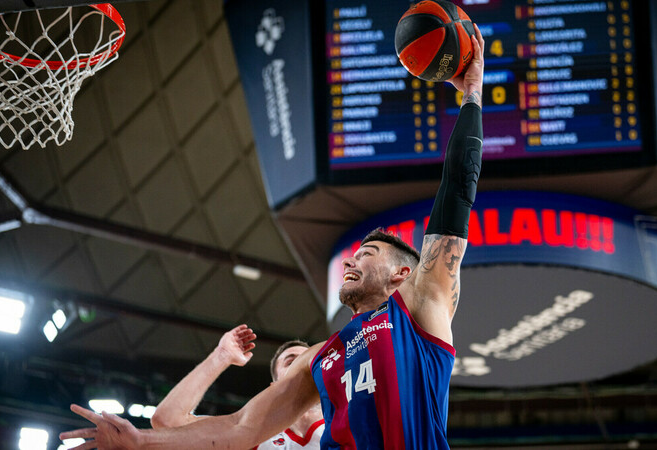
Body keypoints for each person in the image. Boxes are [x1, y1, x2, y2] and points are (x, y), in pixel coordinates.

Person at [61, 24, 484, 450]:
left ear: (402, 275)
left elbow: (456, 194)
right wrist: (141, 443)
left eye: (368, 253)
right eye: (355, 253)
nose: (352, 261)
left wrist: (471, 98)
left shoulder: (422, 302)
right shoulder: (318, 358)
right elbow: (241, 427)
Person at [149, 325, 324, 449]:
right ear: (275, 386)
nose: (304, 370)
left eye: (309, 362)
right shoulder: (250, 434)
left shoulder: (347, 419)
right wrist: (221, 356)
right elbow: (168, 421)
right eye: (292, 363)